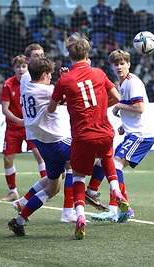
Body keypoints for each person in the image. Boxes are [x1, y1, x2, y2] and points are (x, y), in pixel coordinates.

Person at [48, 33, 127, 240]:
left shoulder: (65, 79)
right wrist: (100, 105)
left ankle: (80, 215)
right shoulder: (99, 73)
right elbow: (117, 97)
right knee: (107, 158)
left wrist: (66, 98)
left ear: (69, 55)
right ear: (87, 54)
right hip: (104, 131)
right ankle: (115, 190)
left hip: (82, 136)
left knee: (78, 175)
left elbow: (50, 108)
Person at [8, 56, 78, 237]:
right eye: (50, 75)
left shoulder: (26, 88)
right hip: (57, 142)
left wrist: (61, 80)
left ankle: (20, 220)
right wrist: (66, 78)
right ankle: (89, 193)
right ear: (46, 74)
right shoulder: (48, 91)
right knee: (97, 153)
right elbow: (71, 95)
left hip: (42, 144)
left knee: (53, 188)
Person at [90, 49, 154, 223]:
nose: (119, 67)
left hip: (141, 135)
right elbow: (135, 109)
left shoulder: (132, 82)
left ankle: (113, 210)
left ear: (129, 64)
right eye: (116, 64)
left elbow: (139, 108)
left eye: (122, 63)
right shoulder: (123, 83)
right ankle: (124, 209)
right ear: (111, 66)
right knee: (108, 164)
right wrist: (123, 126)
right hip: (133, 133)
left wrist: (118, 105)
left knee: (113, 165)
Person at [0, 54, 47, 202]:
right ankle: (13, 191)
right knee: (8, 158)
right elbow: (5, 109)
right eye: (18, 66)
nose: (21, 69)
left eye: (23, 66)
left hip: (31, 126)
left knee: (39, 155)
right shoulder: (8, 84)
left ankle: (48, 186)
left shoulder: (32, 83)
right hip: (14, 127)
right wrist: (20, 121)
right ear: (14, 68)